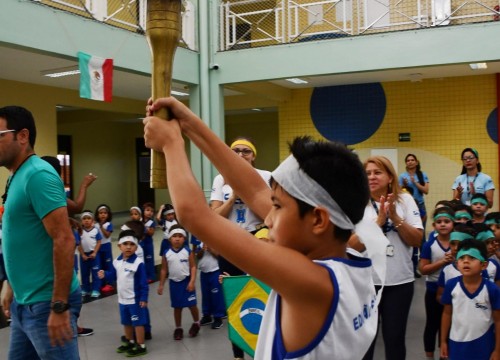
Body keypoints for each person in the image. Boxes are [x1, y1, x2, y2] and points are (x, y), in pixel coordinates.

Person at [143, 97, 386, 358]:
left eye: (278, 207)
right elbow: (256, 189)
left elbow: (195, 216)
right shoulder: (352, 258)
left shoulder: (311, 281)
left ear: (318, 220)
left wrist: (171, 143)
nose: (268, 219)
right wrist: (189, 123)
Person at [0, 106, 81, 359]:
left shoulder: (38, 175)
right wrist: (10, 283)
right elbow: (24, 238)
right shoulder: (16, 176)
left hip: (46, 304)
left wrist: (58, 306)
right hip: (24, 302)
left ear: (22, 136)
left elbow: (64, 240)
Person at [353, 155, 423, 360]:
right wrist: (378, 223)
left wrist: (395, 217)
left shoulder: (406, 200)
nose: (372, 177)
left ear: (390, 177)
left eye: (377, 172)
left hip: (399, 282)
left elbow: (417, 240)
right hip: (365, 284)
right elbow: (349, 246)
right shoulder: (356, 204)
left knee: (394, 338)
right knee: (365, 340)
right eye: (367, 173)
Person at [210, 136, 271, 359]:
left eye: (246, 151)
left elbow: (274, 214)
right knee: (234, 298)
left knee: (261, 294)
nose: (240, 155)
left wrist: (248, 192)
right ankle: (238, 354)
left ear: (253, 156)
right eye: (235, 151)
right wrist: (233, 196)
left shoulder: (266, 177)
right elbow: (214, 216)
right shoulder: (220, 179)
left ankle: (263, 350)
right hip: (230, 240)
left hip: (258, 238)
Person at [41, 155, 96, 336]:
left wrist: (68, 219)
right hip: (52, 253)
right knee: (64, 285)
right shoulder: (47, 187)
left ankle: (72, 323)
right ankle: (70, 324)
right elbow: (78, 206)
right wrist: (85, 185)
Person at [440, 239, 500, 360]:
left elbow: (498, 321)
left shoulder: (492, 289)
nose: (466, 261)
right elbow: (447, 313)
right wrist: (443, 342)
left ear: (484, 265)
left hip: (484, 344)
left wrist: (497, 350)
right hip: (456, 344)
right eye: (462, 258)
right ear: (457, 264)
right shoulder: (451, 285)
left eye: (472, 258)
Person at [98, 230, 149, 357]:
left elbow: (143, 283)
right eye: (125, 244)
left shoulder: (138, 264)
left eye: (131, 244)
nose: (128, 247)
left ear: (136, 247)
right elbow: (114, 275)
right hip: (122, 299)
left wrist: (143, 298)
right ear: (119, 246)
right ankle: (130, 341)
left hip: (135, 300)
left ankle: (141, 345)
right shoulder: (117, 261)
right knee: (126, 322)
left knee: (138, 323)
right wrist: (105, 274)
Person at [419, 207, 455, 359]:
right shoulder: (429, 245)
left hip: (454, 291)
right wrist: (442, 262)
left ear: (453, 224)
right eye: (439, 222)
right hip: (434, 290)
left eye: (447, 221)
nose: (443, 224)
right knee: (432, 324)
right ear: (434, 226)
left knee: (448, 325)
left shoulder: (459, 244)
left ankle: (445, 354)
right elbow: (423, 269)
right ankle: (429, 355)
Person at [157, 225, 200, 340]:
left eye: (180, 236)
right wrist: (161, 284)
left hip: (186, 282)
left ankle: (197, 322)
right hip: (174, 284)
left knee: (192, 305)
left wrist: (192, 281)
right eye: (174, 236)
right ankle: (178, 328)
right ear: (170, 239)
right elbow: (164, 269)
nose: (177, 238)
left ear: (184, 238)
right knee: (177, 307)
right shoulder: (166, 253)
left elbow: (193, 267)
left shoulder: (188, 251)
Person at [399, 154, 429, 279]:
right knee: (407, 236)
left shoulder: (422, 175)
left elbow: (426, 190)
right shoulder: (402, 176)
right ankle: (409, 266)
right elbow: (399, 192)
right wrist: (405, 185)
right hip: (406, 207)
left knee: (420, 238)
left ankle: (422, 265)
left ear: (417, 162)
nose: (410, 162)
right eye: (408, 160)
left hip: (420, 206)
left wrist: (414, 183)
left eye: (412, 160)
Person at [191, 233, 225, 329]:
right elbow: (197, 255)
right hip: (204, 271)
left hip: (215, 270)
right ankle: (207, 315)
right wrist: (202, 250)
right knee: (206, 295)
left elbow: (220, 255)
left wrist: (210, 249)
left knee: (216, 295)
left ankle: (218, 317)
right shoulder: (196, 236)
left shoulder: (213, 235)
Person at [78, 210, 102, 298]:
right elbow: (79, 244)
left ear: (92, 221)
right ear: (81, 221)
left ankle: (96, 289)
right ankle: (85, 289)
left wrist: (95, 252)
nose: (86, 220)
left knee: (96, 273)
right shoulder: (80, 231)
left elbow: (99, 242)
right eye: (84, 219)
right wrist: (82, 254)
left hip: (94, 255)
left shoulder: (95, 231)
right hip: (84, 256)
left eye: (89, 218)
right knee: (84, 273)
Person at [94, 204, 114, 294]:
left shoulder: (109, 225)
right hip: (98, 247)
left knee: (108, 265)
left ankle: (109, 283)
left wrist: (101, 227)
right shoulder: (95, 225)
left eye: (105, 213)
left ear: (108, 214)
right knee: (100, 265)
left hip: (106, 247)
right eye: (101, 213)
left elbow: (107, 235)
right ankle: (101, 282)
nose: (103, 215)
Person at [141, 202, 157, 283]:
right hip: (140, 243)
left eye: (151, 211)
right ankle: (142, 275)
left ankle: (150, 275)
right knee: (141, 259)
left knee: (149, 259)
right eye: (147, 210)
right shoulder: (139, 220)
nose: (149, 212)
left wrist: (145, 229)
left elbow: (151, 233)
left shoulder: (151, 223)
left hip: (148, 243)